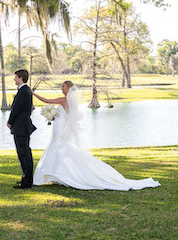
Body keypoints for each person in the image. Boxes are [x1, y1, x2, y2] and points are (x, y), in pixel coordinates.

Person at [32, 81, 160, 191]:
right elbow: (66, 115)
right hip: (59, 126)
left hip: (59, 129)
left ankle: (53, 174)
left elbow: (46, 100)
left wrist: (33, 93)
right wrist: (53, 115)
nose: (61, 88)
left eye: (63, 86)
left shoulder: (65, 100)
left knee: (57, 147)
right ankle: (55, 173)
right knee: (58, 148)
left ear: (69, 88)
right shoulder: (71, 101)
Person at [7, 69, 36, 189]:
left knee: (23, 153)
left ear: (21, 78)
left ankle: (27, 181)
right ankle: (26, 178)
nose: (14, 79)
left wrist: (10, 121)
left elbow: (16, 109)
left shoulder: (24, 91)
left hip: (21, 126)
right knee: (23, 153)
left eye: (16, 77)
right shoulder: (25, 90)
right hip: (22, 126)